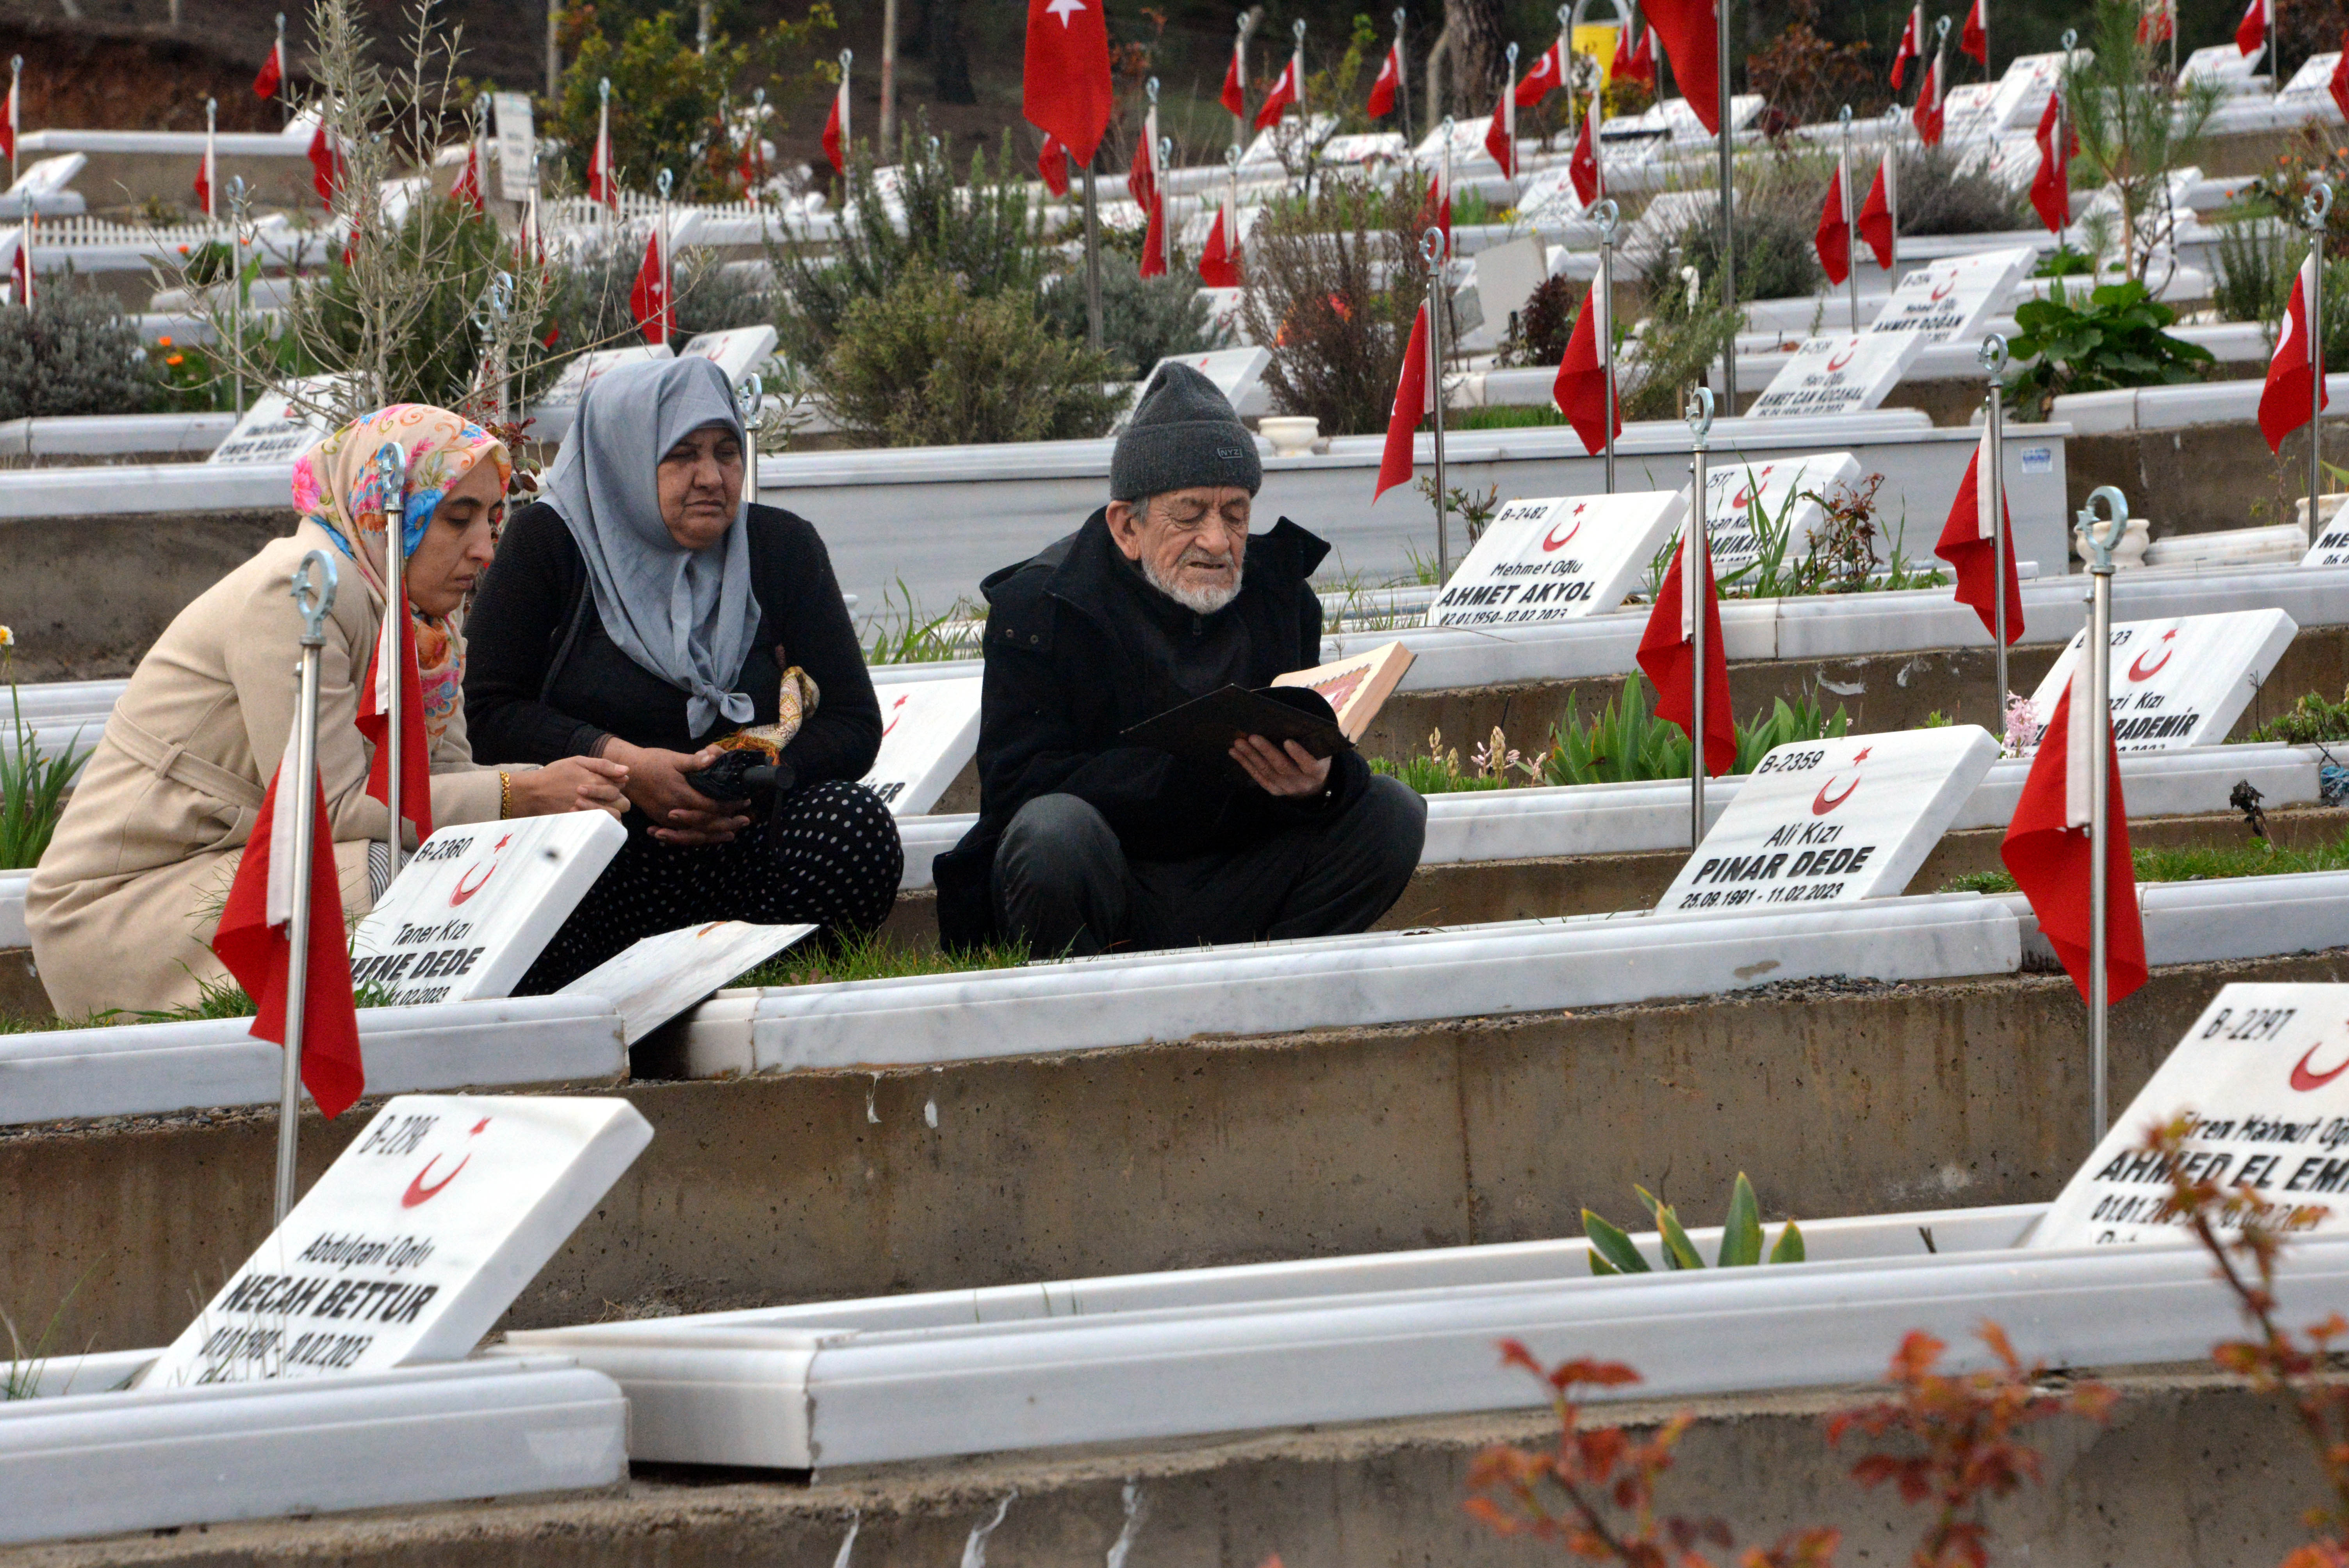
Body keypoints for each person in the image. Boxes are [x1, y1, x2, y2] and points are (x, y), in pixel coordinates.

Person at [28, 405, 626, 1017]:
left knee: (520, 849)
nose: (485, 552)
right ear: (387, 510)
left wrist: (568, 795)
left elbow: (442, 780)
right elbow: (331, 808)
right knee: (390, 872)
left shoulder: (422, 622)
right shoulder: (299, 590)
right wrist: (520, 794)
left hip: (237, 869)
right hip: (122, 909)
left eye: (493, 522)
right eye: (458, 519)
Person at [932, 364, 1427, 956]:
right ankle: (1094, 1010)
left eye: (1235, 514)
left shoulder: (1281, 597)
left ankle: (1271, 984)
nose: (1217, 541)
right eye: (1189, 515)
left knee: (1391, 813)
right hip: (1109, 875)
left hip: (1238, 873)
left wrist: (1318, 784)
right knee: (1051, 834)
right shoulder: (1042, 607)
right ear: (1127, 527)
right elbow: (1016, 791)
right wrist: (1190, 773)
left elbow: (1306, 740)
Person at [463, 355, 901, 992]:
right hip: (603, 858)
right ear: (625, 454)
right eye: (682, 454)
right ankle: (596, 1000)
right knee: (537, 877)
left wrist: (752, 778)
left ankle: (767, 980)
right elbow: (490, 713)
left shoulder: (780, 548)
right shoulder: (550, 545)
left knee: (854, 826)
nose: (712, 478)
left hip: (742, 851)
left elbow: (853, 724)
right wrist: (623, 766)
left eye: (727, 451)